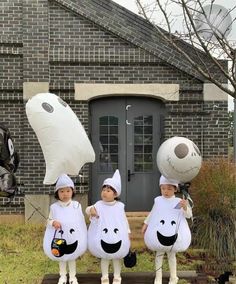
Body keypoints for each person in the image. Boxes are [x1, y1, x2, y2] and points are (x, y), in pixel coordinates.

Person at [142, 175, 192, 284]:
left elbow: (187, 215)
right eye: (163, 188)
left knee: (171, 255)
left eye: (169, 189)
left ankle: (174, 277)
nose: (166, 191)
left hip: (172, 233)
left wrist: (185, 207)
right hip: (160, 232)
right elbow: (153, 213)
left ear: (175, 189)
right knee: (159, 255)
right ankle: (158, 277)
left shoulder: (178, 202)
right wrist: (146, 224)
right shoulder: (158, 201)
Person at [86, 169, 130, 284]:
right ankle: (104, 277)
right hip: (103, 236)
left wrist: (127, 232)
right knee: (104, 257)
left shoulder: (120, 206)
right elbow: (88, 210)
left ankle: (117, 277)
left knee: (116, 258)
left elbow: (124, 220)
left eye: (108, 190)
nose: (105, 192)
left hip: (116, 236)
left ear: (115, 194)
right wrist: (92, 210)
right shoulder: (98, 205)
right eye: (103, 190)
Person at [43, 174, 87, 284]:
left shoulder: (76, 205)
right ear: (57, 193)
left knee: (71, 257)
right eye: (61, 191)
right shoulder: (54, 207)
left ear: (72, 191)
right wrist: (53, 222)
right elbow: (48, 220)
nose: (65, 194)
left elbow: (80, 221)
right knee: (61, 257)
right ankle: (62, 276)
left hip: (72, 237)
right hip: (60, 237)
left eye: (68, 191)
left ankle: (73, 277)